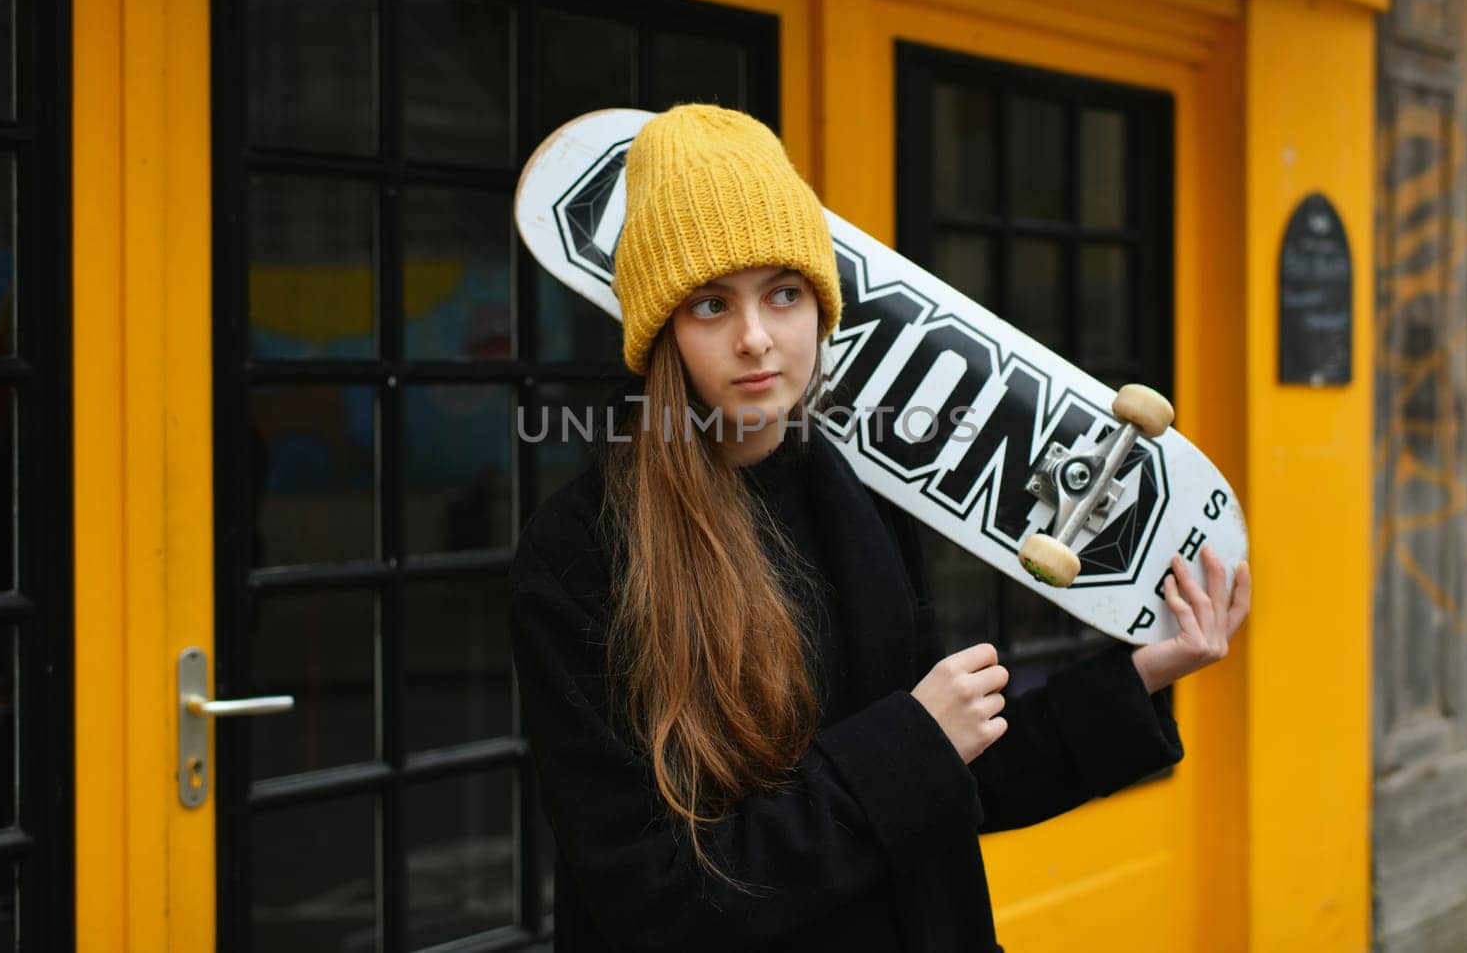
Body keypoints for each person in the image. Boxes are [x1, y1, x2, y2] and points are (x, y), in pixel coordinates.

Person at [508, 104, 1253, 952]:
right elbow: (657, 900)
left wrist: (1142, 675)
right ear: (661, 331)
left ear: (821, 312)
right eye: (711, 304)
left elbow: (951, 778)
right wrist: (909, 744)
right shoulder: (582, 555)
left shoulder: (859, 497)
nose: (756, 338)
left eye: (783, 293)